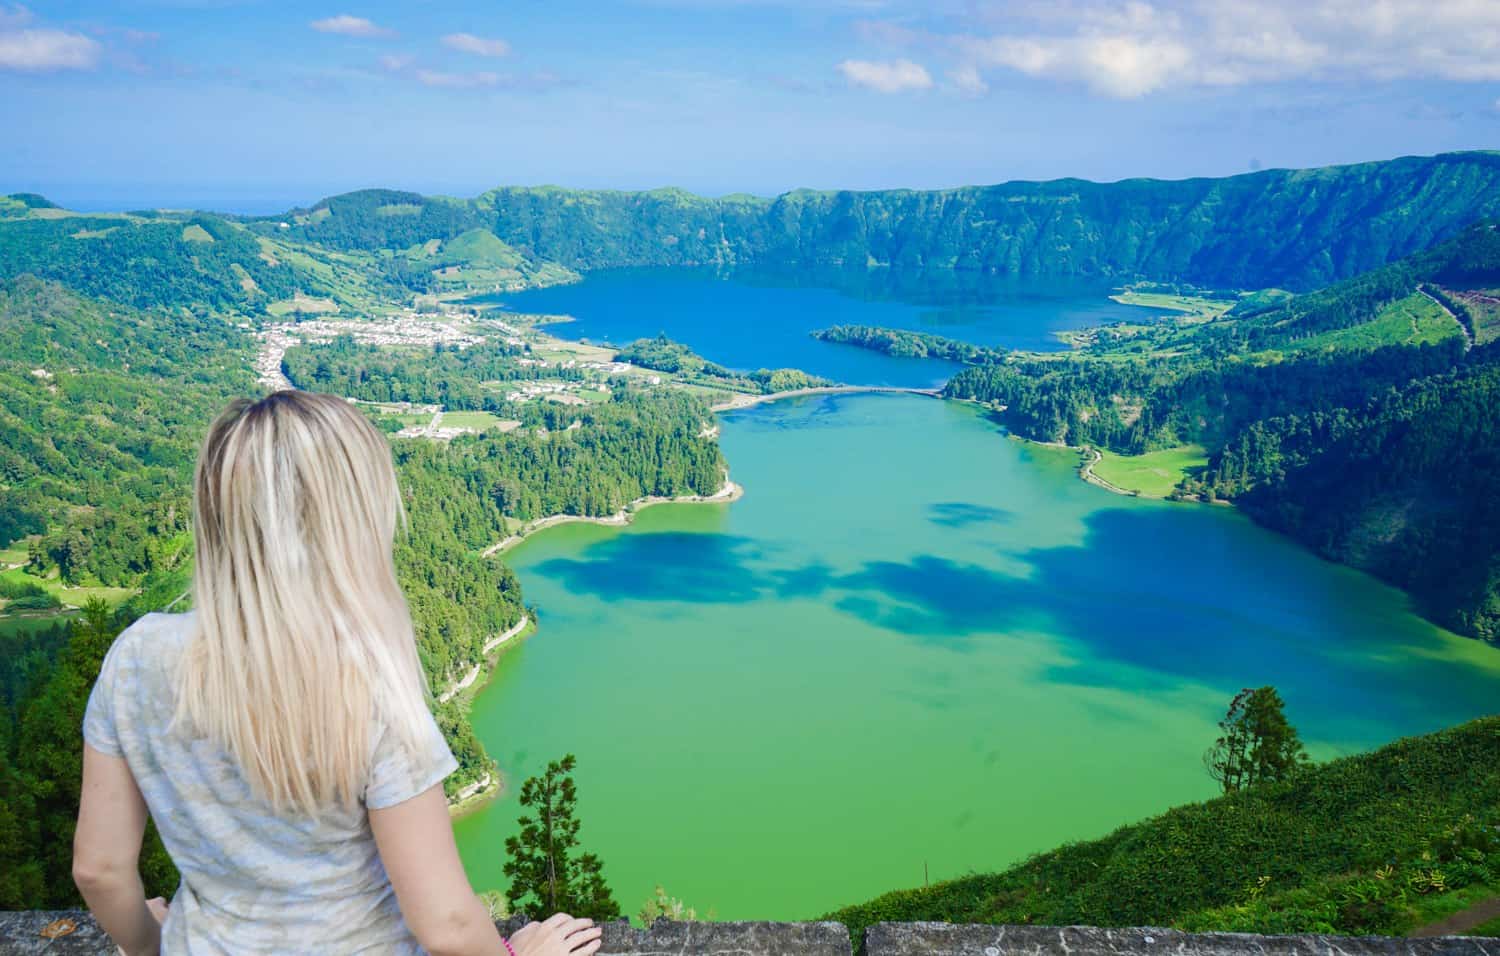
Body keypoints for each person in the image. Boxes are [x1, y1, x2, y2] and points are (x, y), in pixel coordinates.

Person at [72, 391, 603, 956]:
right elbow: (446, 925)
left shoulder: (136, 655)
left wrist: (154, 944)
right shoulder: (368, 688)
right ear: (351, 522)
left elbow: (99, 871)